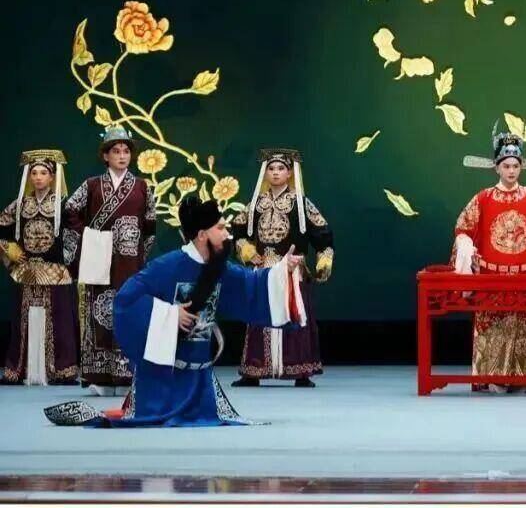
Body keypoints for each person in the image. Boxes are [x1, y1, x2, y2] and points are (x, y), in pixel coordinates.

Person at [43, 198, 305, 427]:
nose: (227, 235)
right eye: (221, 228)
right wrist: (169, 314)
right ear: (201, 235)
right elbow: (126, 301)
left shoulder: (219, 268)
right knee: (149, 418)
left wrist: (285, 270)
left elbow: (253, 285)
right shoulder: (166, 266)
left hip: (200, 378)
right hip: (163, 379)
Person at [451, 125, 526, 391]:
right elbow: (462, 228)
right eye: (506, 166)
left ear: (521, 167)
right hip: (492, 277)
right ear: (497, 168)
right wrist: (467, 247)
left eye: (515, 166)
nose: (511, 171)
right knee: (493, 326)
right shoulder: (483, 198)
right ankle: (491, 378)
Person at [64, 125, 156, 395]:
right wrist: (90, 239)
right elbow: (70, 210)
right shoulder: (92, 185)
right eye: (116, 151)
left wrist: (139, 254)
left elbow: (150, 225)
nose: (122, 156)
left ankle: (128, 374)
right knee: (99, 310)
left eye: (126, 151)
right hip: (99, 257)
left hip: (130, 261)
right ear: (105, 155)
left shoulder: (142, 186)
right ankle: (100, 376)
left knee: (128, 310)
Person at [231, 149, 333, 387]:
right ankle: (254, 370)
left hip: (292, 268)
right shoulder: (256, 204)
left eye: (281, 168)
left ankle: (300, 370)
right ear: (265, 173)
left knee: (294, 313)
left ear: (289, 173)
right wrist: (247, 250)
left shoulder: (302, 204)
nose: (275, 173)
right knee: (259, 315)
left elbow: (323, 233)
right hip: (264, 268)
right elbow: (238, 231)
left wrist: (324, 260)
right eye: (271, 168)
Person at [0, 150, 78, 384]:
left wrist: (68, 262)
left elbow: (75, 235)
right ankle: (18, 369)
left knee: (59, 321)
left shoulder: (63, 205)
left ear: (52, 177)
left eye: (43, 173)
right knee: (22, 321)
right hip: (26, 271)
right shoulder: (20, 205)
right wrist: (8, 248)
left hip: (55, 272)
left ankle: (62, 370)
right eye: (34, 173)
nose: (38, 177)